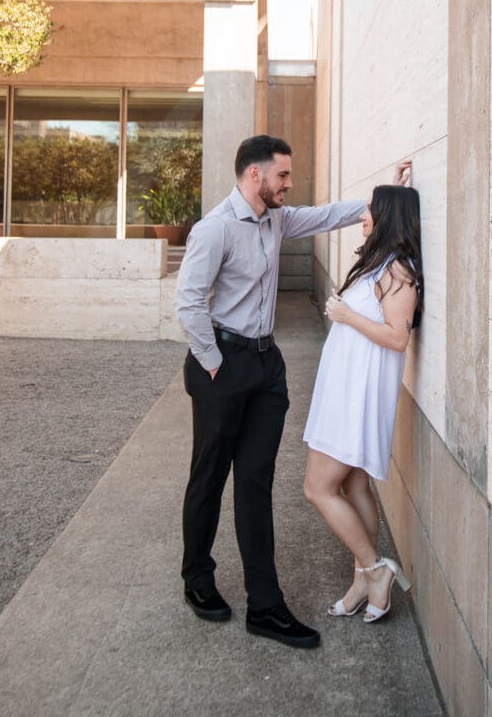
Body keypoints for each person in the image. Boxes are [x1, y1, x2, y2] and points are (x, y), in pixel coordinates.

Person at [175, 134, 411, 649]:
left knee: (255, 484)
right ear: (255, 175)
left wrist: (385, 200)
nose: (289, 184)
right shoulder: (215, 229)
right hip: (222, 364)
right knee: (209, 476)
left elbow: (328, 215)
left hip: (266, 367)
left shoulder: (278, 218)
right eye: (282, 175)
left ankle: (266, 606)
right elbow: (189, 302)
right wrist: (216, 365)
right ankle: (197, 579)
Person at [302, 183, 423, 625]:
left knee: (317, 488)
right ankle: (361, 583)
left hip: (354, 400)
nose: (363, 216)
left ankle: (376, 571)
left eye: (372, 210)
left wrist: (347, 316)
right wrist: (397, 181)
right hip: (342, 391)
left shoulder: (399, 273)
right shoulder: (381, 265)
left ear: (387, 217)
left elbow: (397, 337)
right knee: (353, 487)